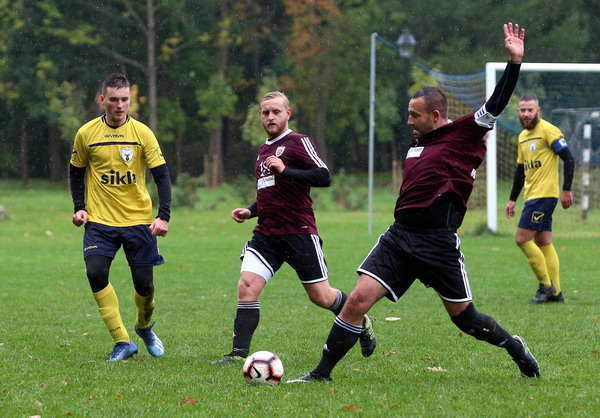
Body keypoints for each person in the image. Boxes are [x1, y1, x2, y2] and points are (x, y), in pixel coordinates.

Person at [288, 23, 540, 383]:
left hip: (437, 242)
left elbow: (496, 103)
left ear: (436, 115)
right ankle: (320, 374)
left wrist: (514, 62)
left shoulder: (463, 133)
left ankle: (514, 346)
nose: (408, 121)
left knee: (466, 320)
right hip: (400, 237)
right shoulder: (418, 141)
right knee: (357, 300)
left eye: (414, 115)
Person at [212, 91, 376, 364]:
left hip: (298, 232)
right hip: (266, 235)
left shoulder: (298, 142)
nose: (270, 116)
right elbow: (270, 191)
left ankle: (361, 319)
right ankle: (238, 354)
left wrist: (285, 169)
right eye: (266, 112)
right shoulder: (263, 150)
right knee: (247, 285)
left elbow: (323, 176)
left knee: (321, 297)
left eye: (276, 111)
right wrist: (250, 211)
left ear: (288, 114)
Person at [69, 73, 171, 361]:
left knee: (145, 286)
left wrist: (163, 216)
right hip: (100, 221)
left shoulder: (142, 133)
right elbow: (76, 173)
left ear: (130, 99)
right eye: (113, 99)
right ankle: (122, 341)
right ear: (102, 100)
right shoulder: (86, 133)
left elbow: (161, 176)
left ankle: (143, 326)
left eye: (124, 99)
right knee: (95, 272)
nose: (119, 105)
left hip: (138, 220)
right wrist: (79, 207)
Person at [505, 94, 575, 303]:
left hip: (544, 196)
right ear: (518, 112)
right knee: (543, 242)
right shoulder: (522, 136)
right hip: (532, 196)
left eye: (530, 110)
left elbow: (569, 158)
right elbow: (520, 171)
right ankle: (556, 293)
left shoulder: (548, 130)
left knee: (521, 239)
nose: (526, 114)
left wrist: (567, 189)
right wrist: (512, 199)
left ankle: (545, 286)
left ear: (538, 110)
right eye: (523, 110)